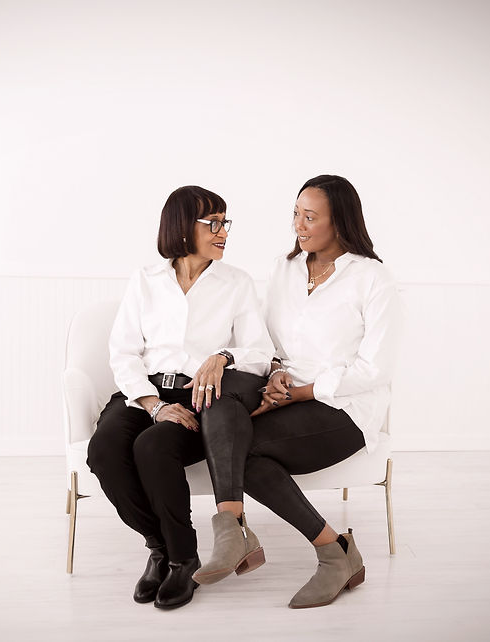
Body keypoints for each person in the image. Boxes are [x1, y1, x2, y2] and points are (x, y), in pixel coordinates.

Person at [192, 175, 402, 608]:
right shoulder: (285, 269)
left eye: (310, 217)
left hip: (344, 408)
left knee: (243, 450)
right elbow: (269, 340)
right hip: (288, 397)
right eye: (295, 214)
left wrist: (306, 391)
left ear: (340, 222)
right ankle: (316, 547)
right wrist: (274, 374)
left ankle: (330, 553)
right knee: (229, 412)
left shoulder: (373, 279)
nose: (299, 226)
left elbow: (375, 369)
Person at [86, 185, 273, 610]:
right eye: (214, 223)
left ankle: (184, 561)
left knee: (153, 447)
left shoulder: (236, 283)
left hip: (198, 395)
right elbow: (124, 352)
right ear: (183, 227)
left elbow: (261, 354)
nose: (224, 231)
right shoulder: (146, 280)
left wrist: (222, 356)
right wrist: (152, 404)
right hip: (145, 392)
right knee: (105, 450)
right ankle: (161, 548)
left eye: (226, 222)